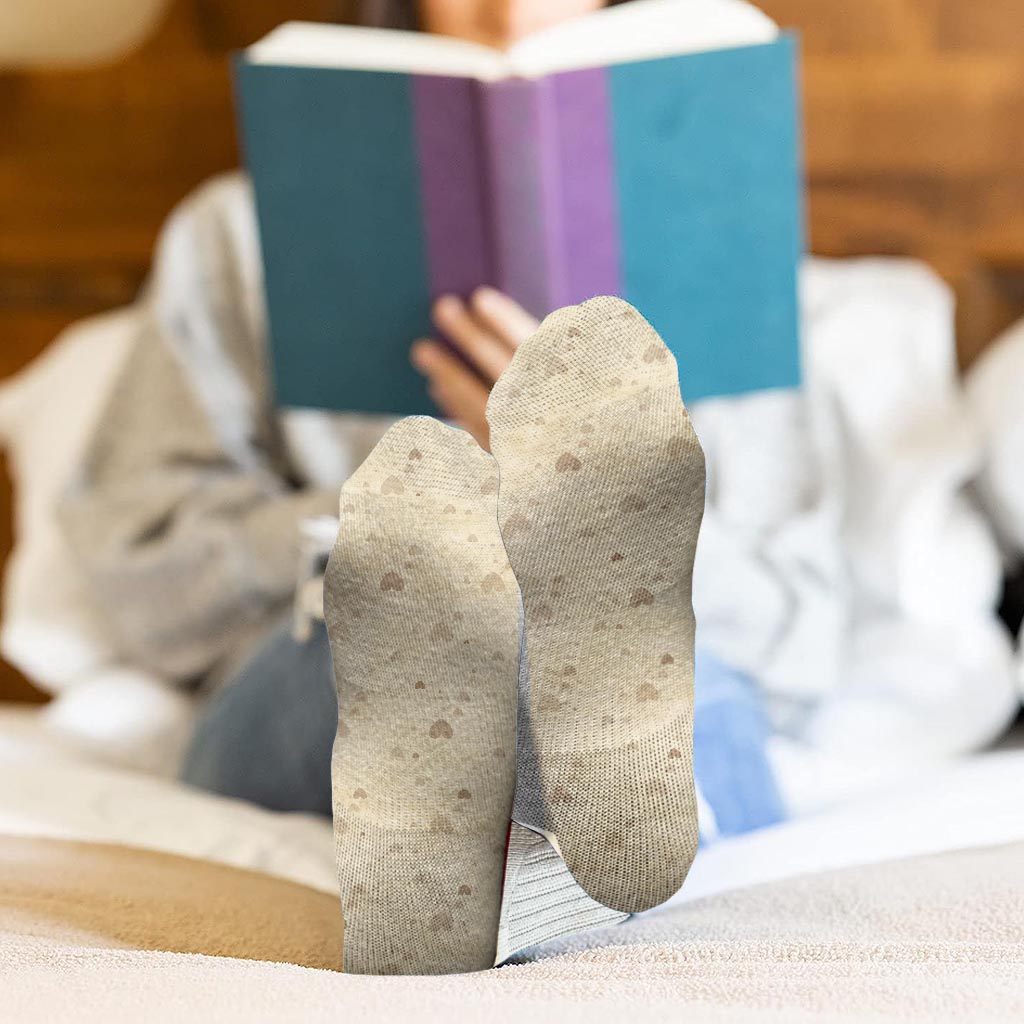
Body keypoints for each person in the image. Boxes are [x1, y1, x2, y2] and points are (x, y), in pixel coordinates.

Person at [60, 0, 785, 834]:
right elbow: (144, 571)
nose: (506, 8)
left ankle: (592, 842)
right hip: (328, 666)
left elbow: (796, 616)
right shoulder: (236, 232)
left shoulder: (719, 232)